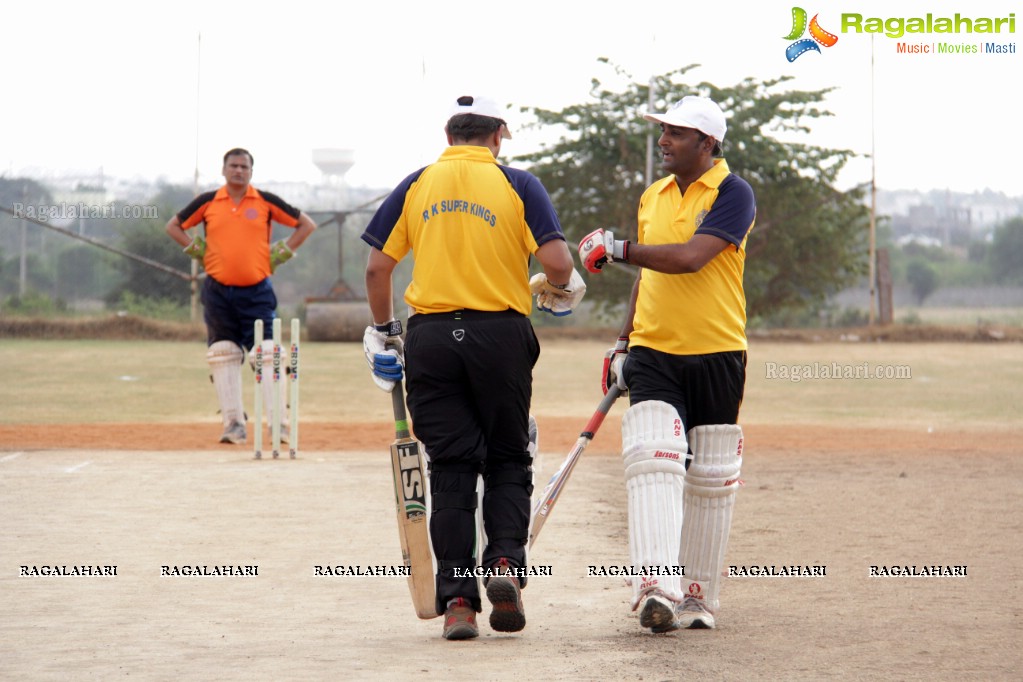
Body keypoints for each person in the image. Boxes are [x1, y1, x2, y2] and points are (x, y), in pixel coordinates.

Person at [361, 95, 585, 640]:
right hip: (500, 336)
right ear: (499, 134)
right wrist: (558, 288)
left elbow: (376, 267)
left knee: (453, 468)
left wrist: (386, 330)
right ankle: (505, 563)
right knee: (508, 455)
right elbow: (558, 263)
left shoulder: (417, 183)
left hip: (433, 338)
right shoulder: (519, 184)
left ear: (449, 134)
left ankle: (458, 600)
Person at [579, 95, 755, 632]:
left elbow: (689, 257)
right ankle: (657, 586)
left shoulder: (733, 192)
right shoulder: (652, 194)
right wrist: (622, 342)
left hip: (717, 349)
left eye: (676, 133)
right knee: (654, 458)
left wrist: (620, 248)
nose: (664, 141)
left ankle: (698, 596)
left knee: (707, 476)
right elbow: (649, 275)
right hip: (655, 350)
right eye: (663, 131)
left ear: (707, 143)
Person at [166, 148, 317, 445]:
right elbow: (173, 226)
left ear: (251, 172)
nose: (238, 171)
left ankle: (279, 426)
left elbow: (306, 225)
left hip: (257, 291)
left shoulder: (265, 201)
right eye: (233, 166)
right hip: (218, 291)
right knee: (223, 353)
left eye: (244, 167)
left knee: (269, 353)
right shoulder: (209, 201)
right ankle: (234, 424)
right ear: (223, 170)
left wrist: (280, 254)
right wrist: (198, 251)